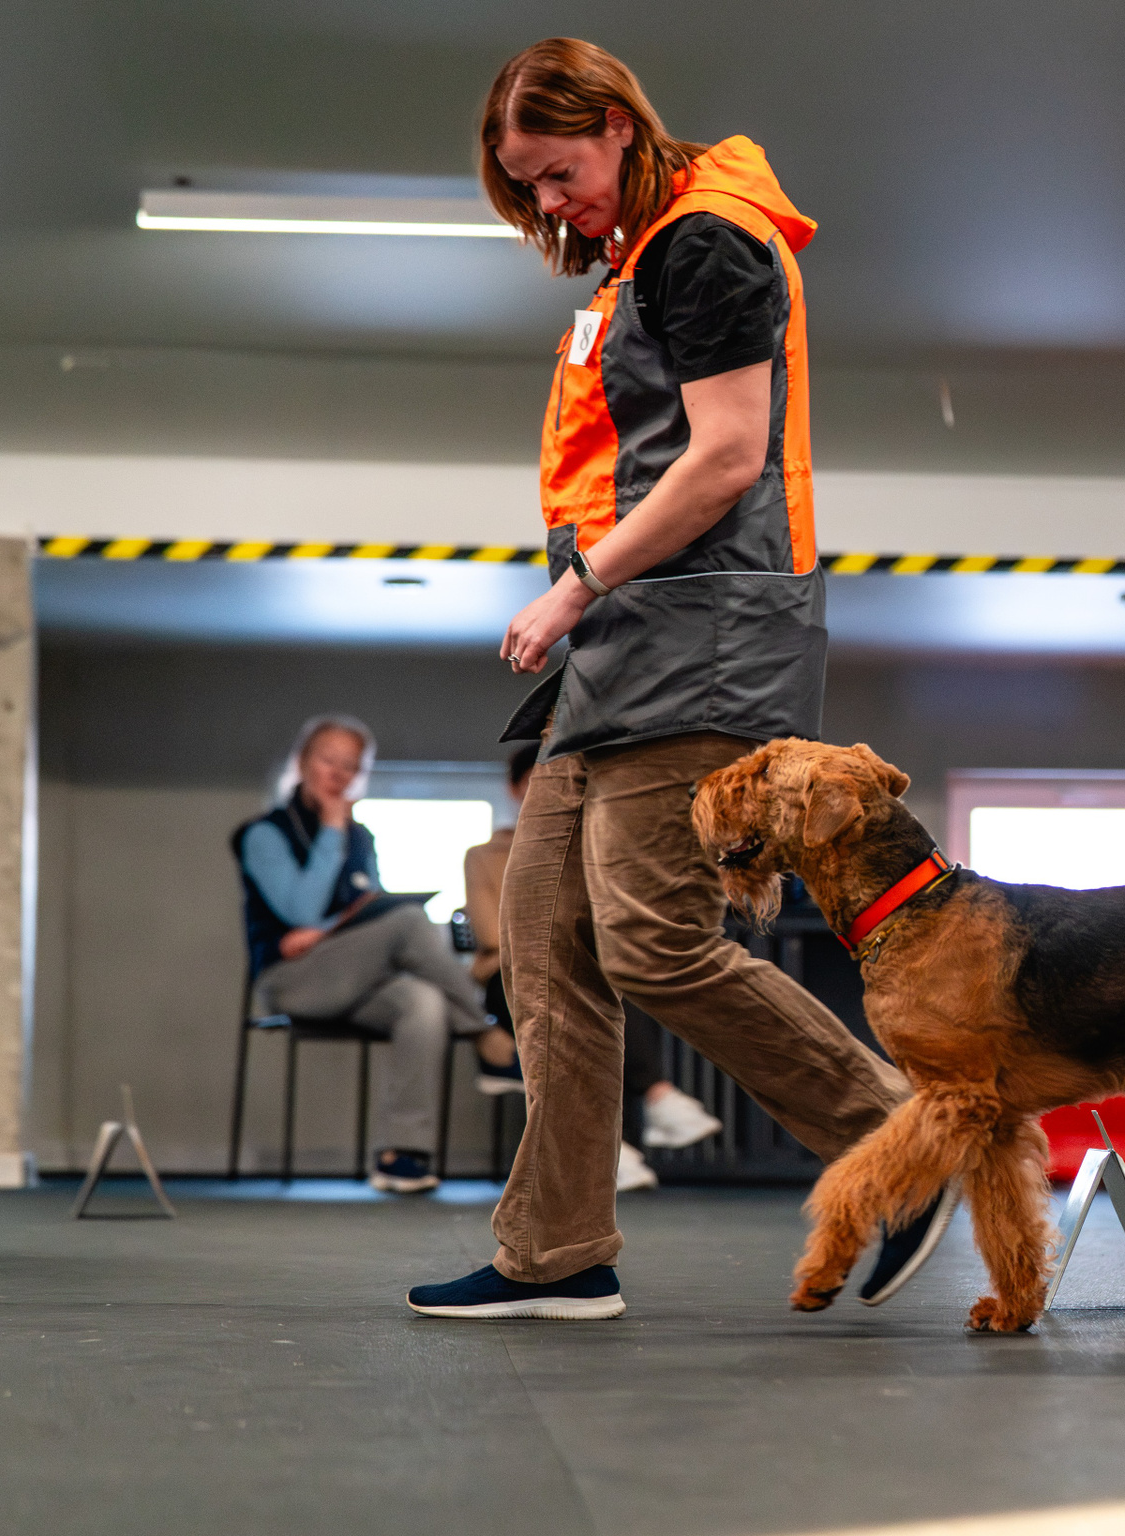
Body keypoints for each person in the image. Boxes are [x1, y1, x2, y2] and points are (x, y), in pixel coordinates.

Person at [407, 41, 954, 1322]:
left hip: (704, 644)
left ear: (615, 122)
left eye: (558, 172)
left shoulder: (707, 244)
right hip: (626, 651)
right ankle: (557, 1252)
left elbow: (724, 457)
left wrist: (574, 586)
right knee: (544, 943)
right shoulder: (640, 258)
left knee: (653, 943)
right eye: (527, 188)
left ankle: (907, 1146)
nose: (550, 202)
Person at [237, 715, 514, 1193]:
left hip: (356, 977)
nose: (338, 774)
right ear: (302, 762)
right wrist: (331, 829)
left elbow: (366, 909)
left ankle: (402, 1156)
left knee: (423, 1000)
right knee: (407, 922)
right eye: (328, 761)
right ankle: (487, 1036)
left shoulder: (361, 836)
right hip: (293, 980)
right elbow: (300, 910)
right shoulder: (264, 833)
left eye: (351, 766)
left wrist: (331, 926)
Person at [463, 744, 721, 1195]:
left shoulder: (592, 847)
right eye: (536, 785)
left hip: (579, 968)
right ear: (515, 789)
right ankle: (648, 1104)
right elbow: (492, 934)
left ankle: (615, 1143)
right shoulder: (485, 855)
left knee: (615, 985)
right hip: (508, 977)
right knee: (576, 998)